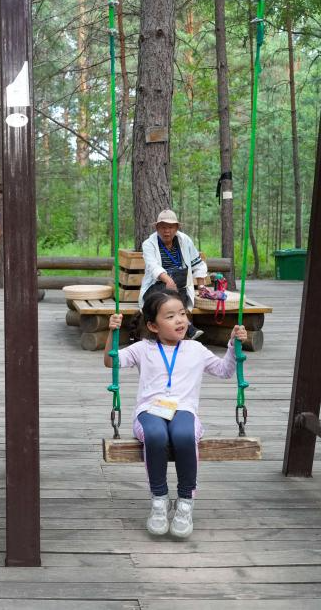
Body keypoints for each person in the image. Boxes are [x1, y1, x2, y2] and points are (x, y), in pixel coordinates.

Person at [104, 288, 246, 538]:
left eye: (182, 313)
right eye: (170, 317)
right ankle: (159, 500)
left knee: (182, 434)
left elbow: (224, 370)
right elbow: (111, 361)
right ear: (153, 326)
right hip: (150, 410)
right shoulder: (143, 348)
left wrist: (234, 344)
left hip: (184, 409)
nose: (180, 320)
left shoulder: (196, 349)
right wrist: (112, 333)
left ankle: (185, 502)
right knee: (156, 435)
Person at [139, 209, 208, 341]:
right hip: (156, 286)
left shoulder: (185, 240)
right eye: (163, 227)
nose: (167, 231)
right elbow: (153, 267)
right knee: (162, 296)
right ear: (157, 228)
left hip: (180, 287)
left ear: (176, 228)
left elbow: (198, 264)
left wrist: (201, 287)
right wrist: (168, 281)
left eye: (170, 227)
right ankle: (188, 328)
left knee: (177, 295)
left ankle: (179, 334)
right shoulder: (149, 244)